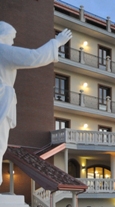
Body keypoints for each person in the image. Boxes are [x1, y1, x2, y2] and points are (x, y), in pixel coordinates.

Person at [0, 23, 72, 183]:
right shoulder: (2, 50)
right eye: (11, 38)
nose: (12, 42)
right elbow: (34, 57)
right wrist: (57, 42)